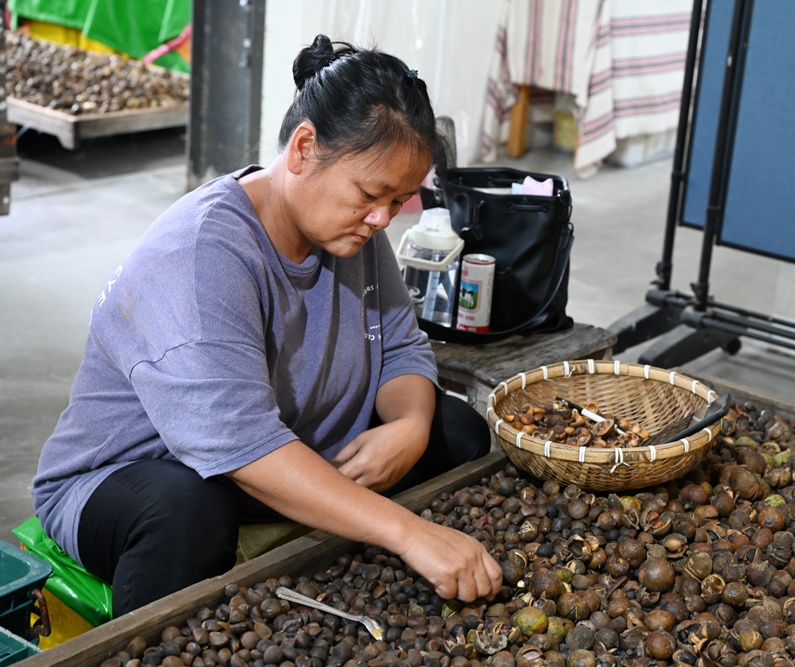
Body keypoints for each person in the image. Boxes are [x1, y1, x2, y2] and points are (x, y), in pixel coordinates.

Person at [31, 35, 502, 618]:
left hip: (291, 447)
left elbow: (402, 347)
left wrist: (409, 425)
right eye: (370, 195)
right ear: (304, 148)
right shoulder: (204, 256)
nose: (381, 220)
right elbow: (240, 447)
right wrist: (406, 532)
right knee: (189, 513)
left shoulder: (353, 227)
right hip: (145, 477)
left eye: (398, 202)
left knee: (453, 428)